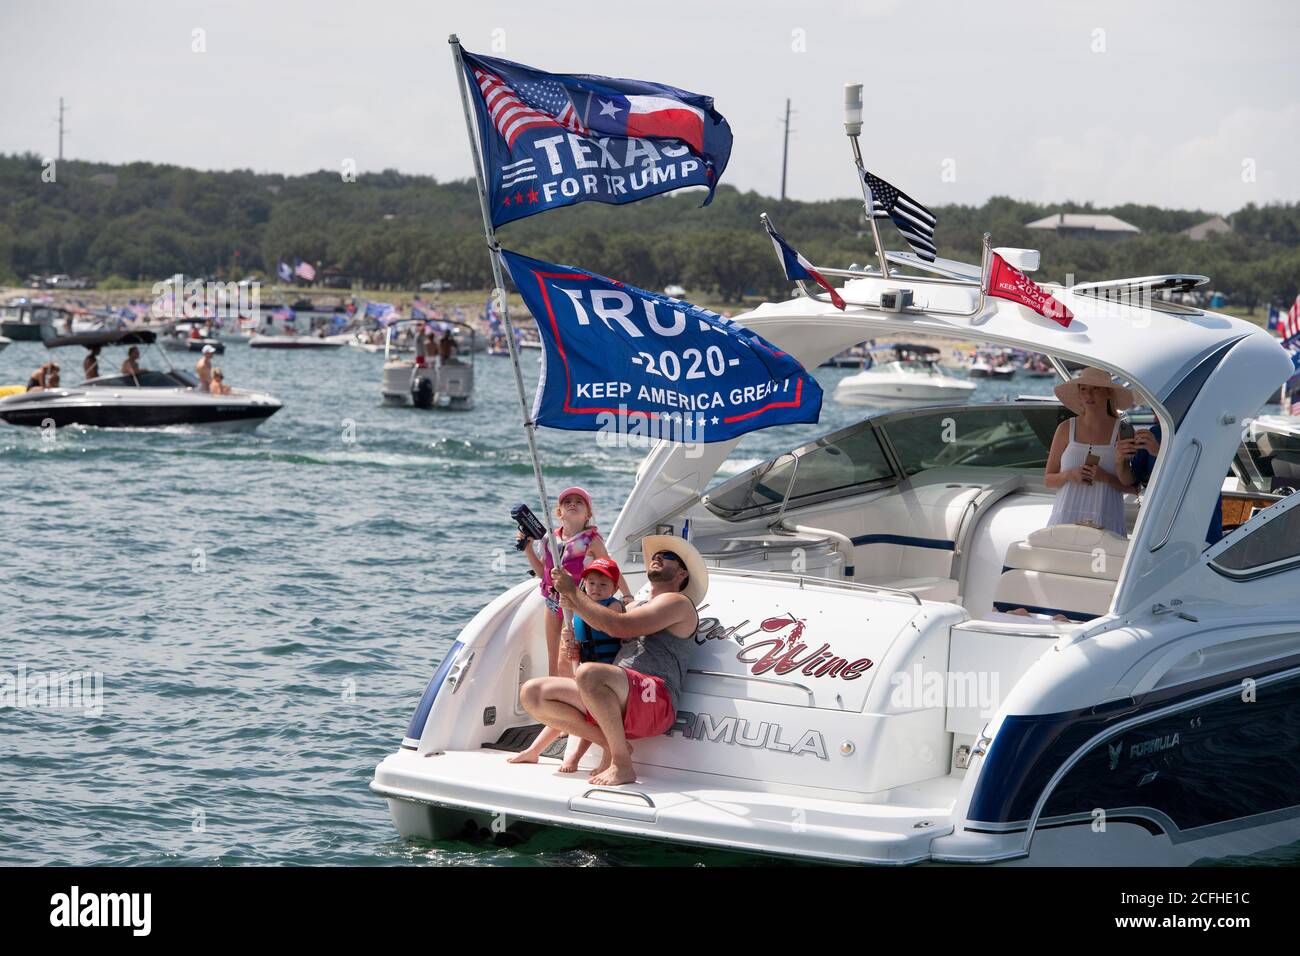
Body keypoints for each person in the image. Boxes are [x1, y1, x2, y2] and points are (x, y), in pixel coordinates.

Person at [518, 536, 706, 786]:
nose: (658, 557)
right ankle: (611, 742)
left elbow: (618, 626)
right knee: (533, 693)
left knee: (589, 674)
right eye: (656, 554)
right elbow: (610, 634)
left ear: (682, 574)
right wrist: (575, 646)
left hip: (656, 699)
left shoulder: (677, 603)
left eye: (668, 556)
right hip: (620, 694)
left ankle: (622, 765)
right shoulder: (637, 605)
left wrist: (574, 591)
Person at [508, 557, 626, 772]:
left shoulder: (614, 606)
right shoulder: (577, 611)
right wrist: (570, 643)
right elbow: (576, 650)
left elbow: (606, 623)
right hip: (585, 673)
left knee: (591, 714)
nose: (596, 589)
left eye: (603, 585)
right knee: (565, 711)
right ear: (584, 584)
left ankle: (576, 757)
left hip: (606, 681)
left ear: (615, 588)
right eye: (591, 584)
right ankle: (534, 750)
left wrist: (575, 601)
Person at [518, 487, 630, 680]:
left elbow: (612, 569)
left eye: (579, 502)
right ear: (559, 512)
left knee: (570, 655)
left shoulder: (591, 541)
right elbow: (542, 573)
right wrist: (528, 549)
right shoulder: (549, 540)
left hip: (577, 603)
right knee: (552, 657)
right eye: (567, 502)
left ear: (588, 514)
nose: (573, 504)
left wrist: (627, 596)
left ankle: (576, 690)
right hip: (553, 602)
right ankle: (555, 694)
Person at [1044, 367, 1136, 537]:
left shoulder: (1123, 431)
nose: (1088, 394)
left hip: (1106, 521)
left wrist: (1105, 477)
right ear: (1079, 393)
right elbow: (1048, 480)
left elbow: (1134, 488)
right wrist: (1069, 475)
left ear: (1108, 393)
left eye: (1096, 388)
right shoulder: (1065, 428)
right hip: (1065, 518)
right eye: (1084, 389)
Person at [1120, 423, 1223, 545]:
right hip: (1162, 529)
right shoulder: (1155, 433)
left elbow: (1206, 477)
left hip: (1202, 525)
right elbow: (1131, 480)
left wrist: (1159, 452)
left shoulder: (1213, 430)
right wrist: (1120, 459)